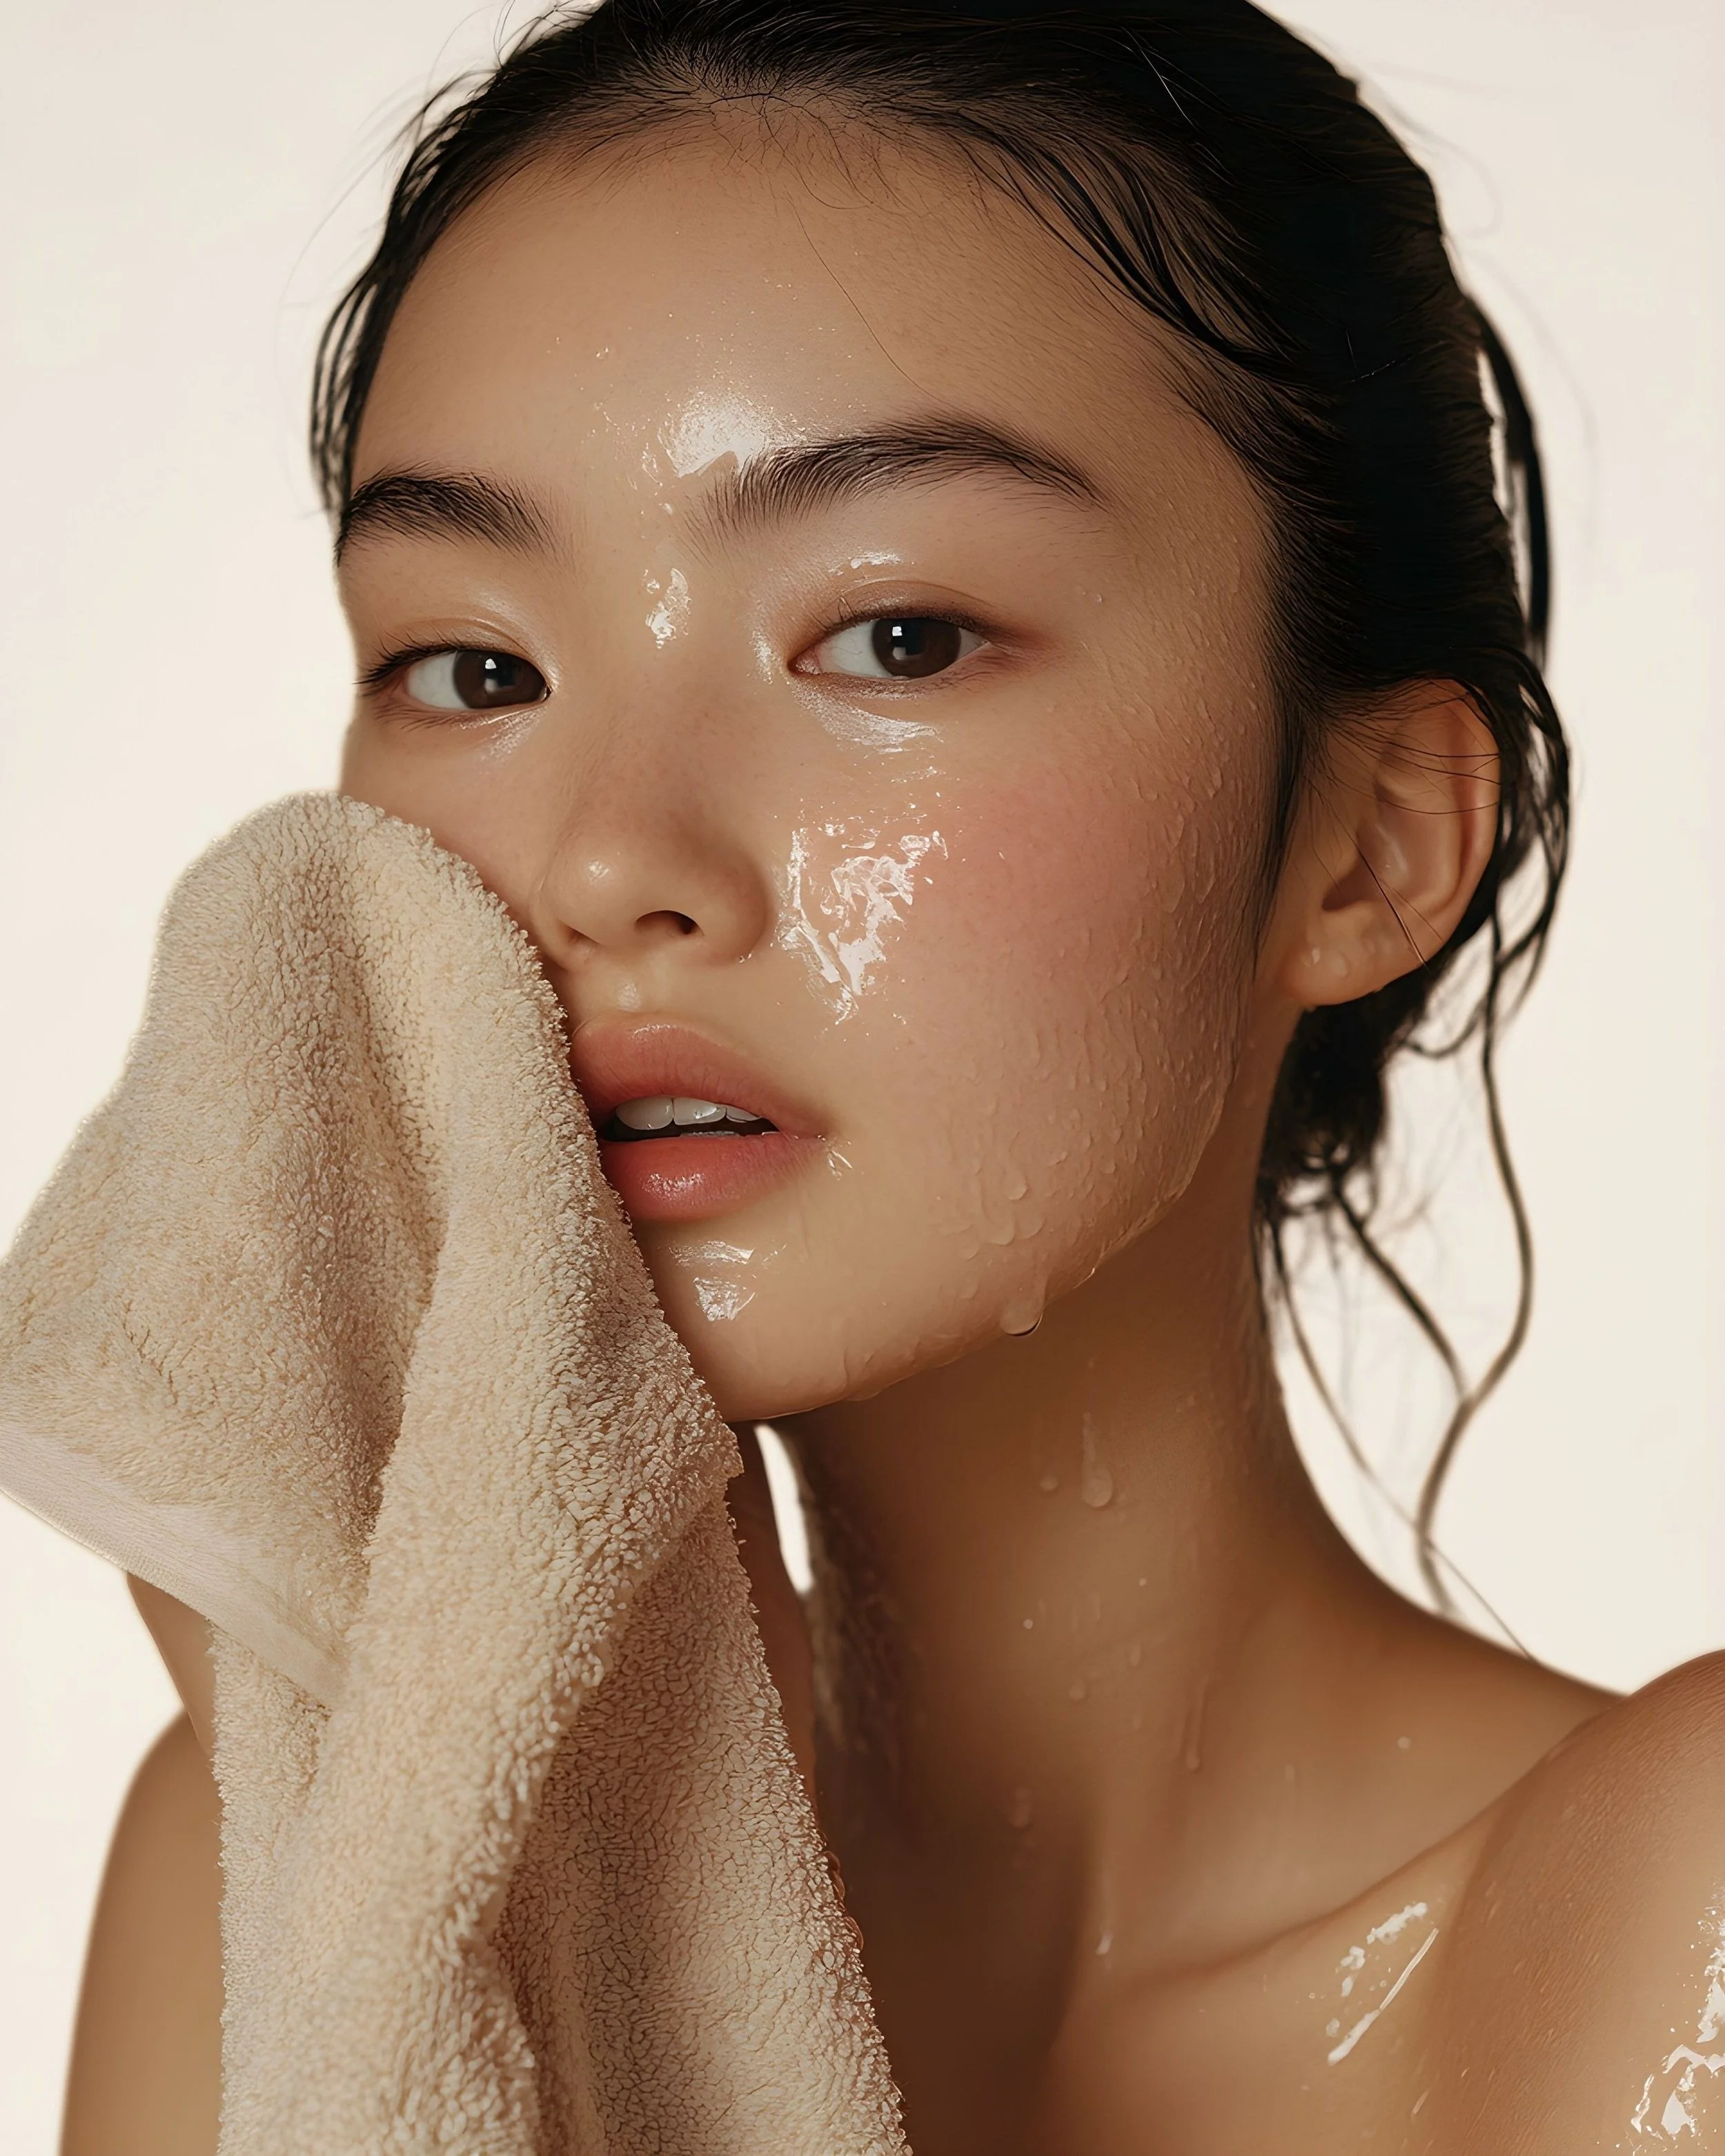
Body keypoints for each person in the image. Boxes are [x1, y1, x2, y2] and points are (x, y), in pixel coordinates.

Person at [59, 4, 1724, 2151]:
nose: (609, 861)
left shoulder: (1669, 1921)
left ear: (1368, 841)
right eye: (477, 667)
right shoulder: (298, 1857)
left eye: (894, 638)